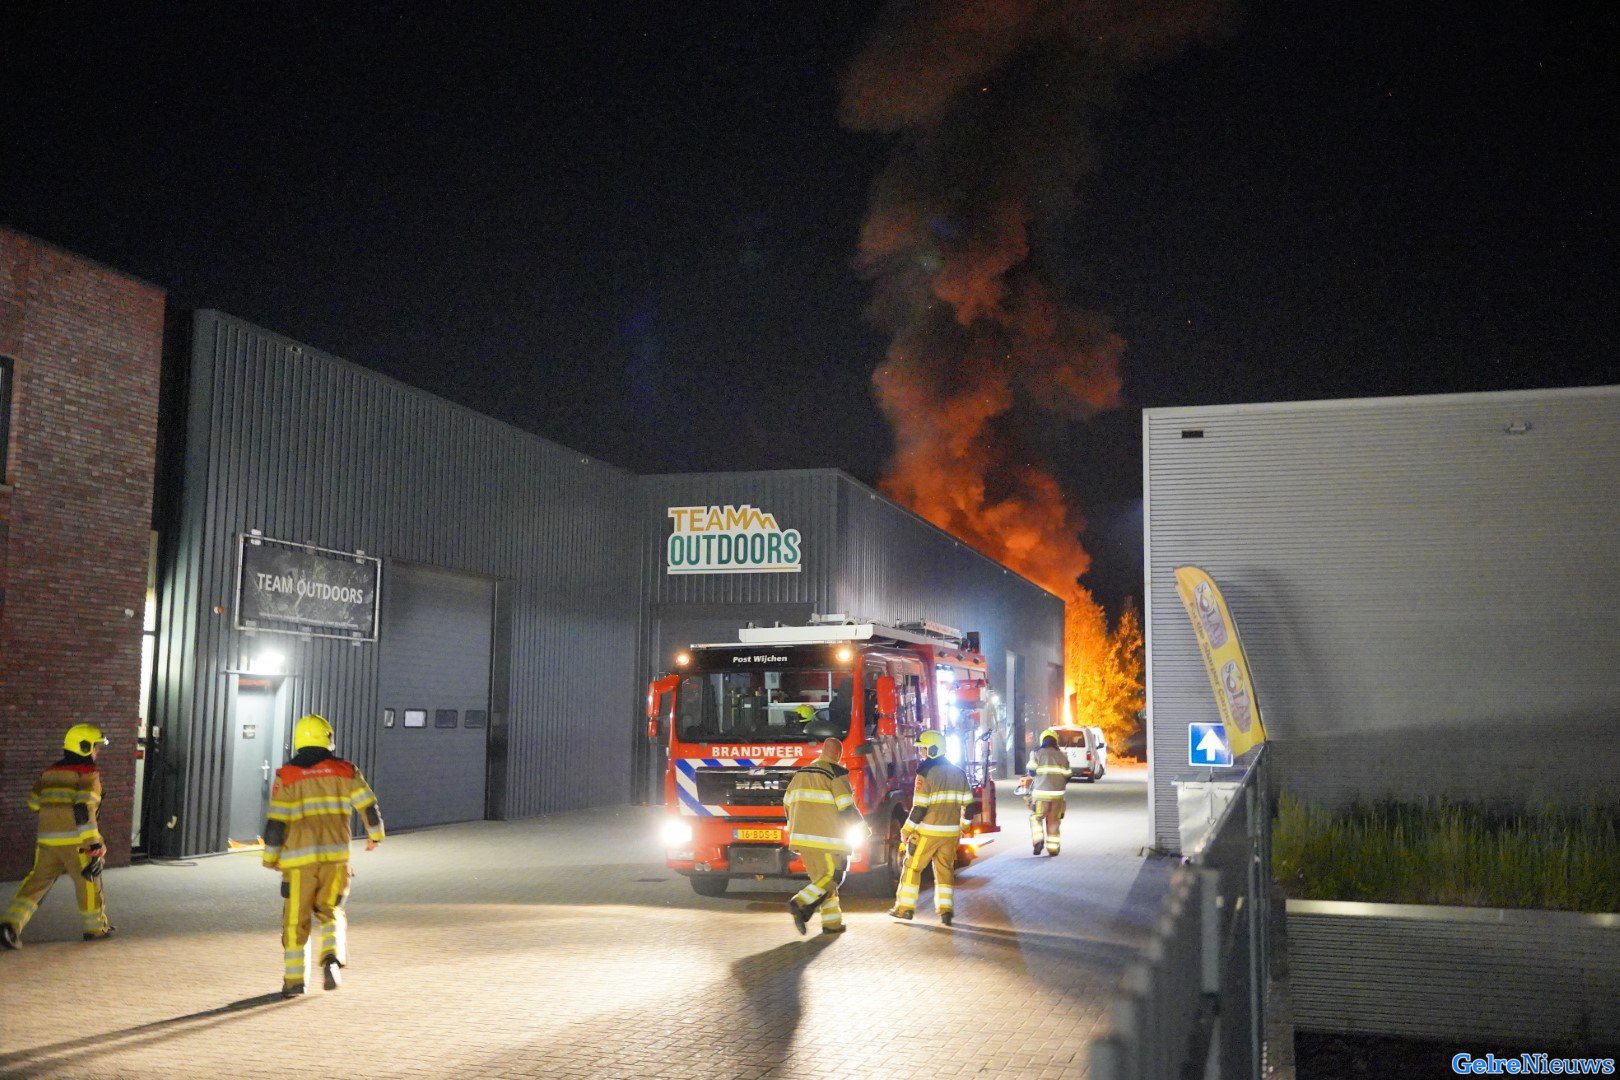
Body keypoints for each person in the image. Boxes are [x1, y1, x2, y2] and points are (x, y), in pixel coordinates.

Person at [263, 713, 385, 997]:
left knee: (296, 921)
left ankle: (295, 981)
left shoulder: (287, 776)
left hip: (299, 864)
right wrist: (375, 835)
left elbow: (276, 822)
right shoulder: (346, 771)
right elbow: (368, 806)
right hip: (336, 860)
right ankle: (331, 957)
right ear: (328, 739)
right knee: (331, 912)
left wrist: (270, 857)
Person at [2, 724, 114, 948]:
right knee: (88, 883)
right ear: (84, 747)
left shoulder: (49, 772)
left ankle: (10, 926)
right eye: (96, 747)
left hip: (47, 841)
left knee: (36, 883)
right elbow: (84, 809)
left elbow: (34, 802)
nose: (98, 751)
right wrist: (94, 844)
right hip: (77, 842)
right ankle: (96, 928)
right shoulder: (88, 774)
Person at [888, 729, 972, 926]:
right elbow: (969, 806)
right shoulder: (959, 773)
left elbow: (920, 808)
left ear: (933, 749)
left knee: (912, 867)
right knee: (945, 871)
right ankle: (946, 911)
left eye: (924, 749)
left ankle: (905, 909)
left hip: (928, 832)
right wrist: (964, 826)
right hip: (951, 834)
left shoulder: (925, 773)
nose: (921, 753)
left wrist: (906, 830)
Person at [783, 737, 864, 936]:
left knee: (822, 882)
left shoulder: (800, 774)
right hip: (828, 840)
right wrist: (863, 829)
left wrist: (794, 829)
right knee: (833, 876)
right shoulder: (835, 774)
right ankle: (800, 902)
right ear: (838, 754)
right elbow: (846, 808)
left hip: (802, 839)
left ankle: (832, 923)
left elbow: (787, 803)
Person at [1026, 729, 1070, 856]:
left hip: (1040, 795)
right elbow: (1068, 775)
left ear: (1042, 740)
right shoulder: (1062, 755)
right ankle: (1053, 849)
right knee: (1054, 821)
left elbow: (1031, 771)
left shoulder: (1036, 753)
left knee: (1036, 818)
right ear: (1055, 741)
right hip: (1058, 797)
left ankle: (1038, 841)